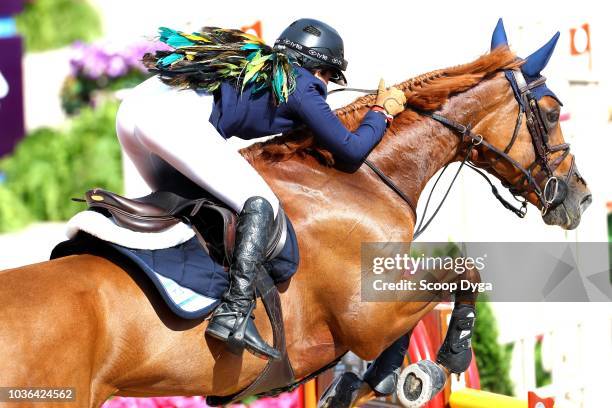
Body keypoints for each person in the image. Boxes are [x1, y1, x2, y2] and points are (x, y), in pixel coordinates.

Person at [115, 18, 406, 360]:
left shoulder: (265, 66)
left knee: (192, 206)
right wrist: (380, 113)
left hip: (133, 113)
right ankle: (234, 313)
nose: (325, 83)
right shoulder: (301, 83)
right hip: (172, 119)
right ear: (314, 64)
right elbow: (351, 151)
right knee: (261, 202)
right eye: (327, 74)